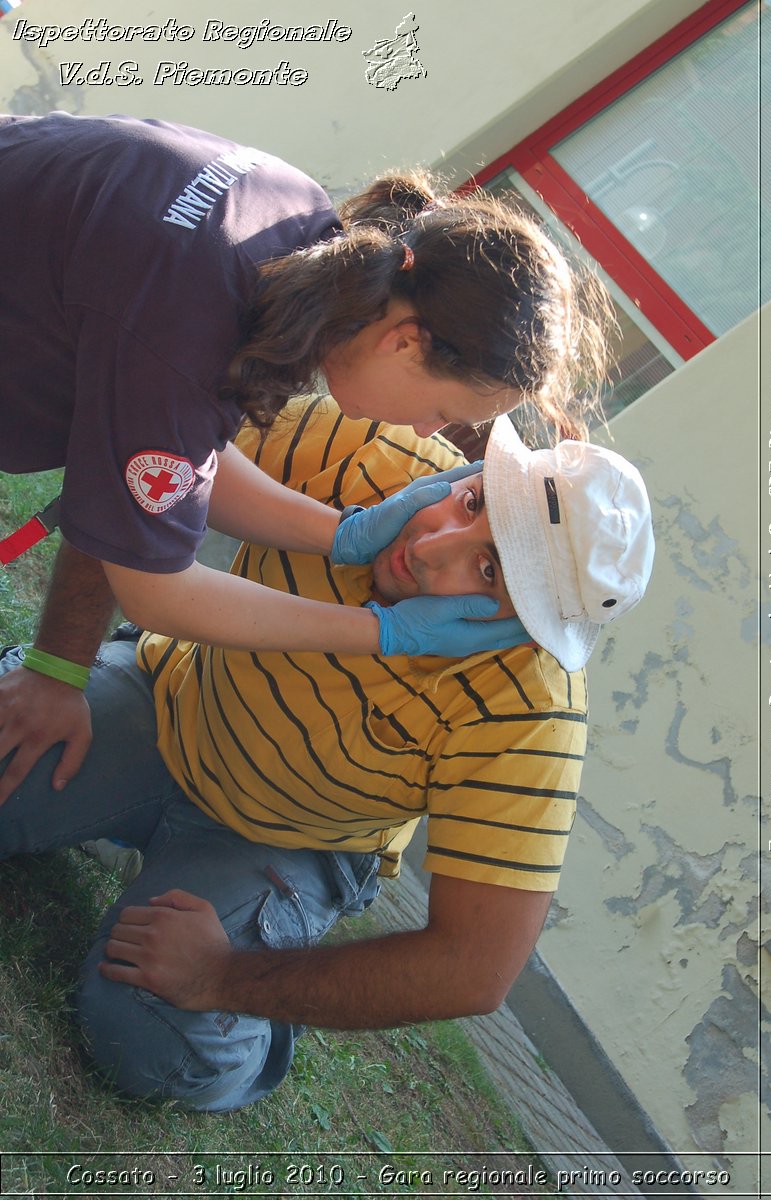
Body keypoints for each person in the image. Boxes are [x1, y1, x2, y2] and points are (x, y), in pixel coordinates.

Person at [0, 394, 654, 1112]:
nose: (431, 544)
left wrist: (222, 977)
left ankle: (254, 1020)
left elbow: (475, 969)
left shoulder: (533, 706)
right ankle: (121, 825)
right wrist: (57, 670)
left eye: (491, 571)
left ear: (533, 631)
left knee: (152, 1040)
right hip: (170, 701)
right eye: (471, 503)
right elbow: (150, 451)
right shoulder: (377, 453)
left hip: (292, 841)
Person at [0, 111, 609, 804]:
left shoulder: (292, 218)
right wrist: (379, 631)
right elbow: (153, 588)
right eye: (442, 410)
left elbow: (176, 451)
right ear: (407, 342)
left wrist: (341, 535)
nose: (423, 428)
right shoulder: (187, 328)